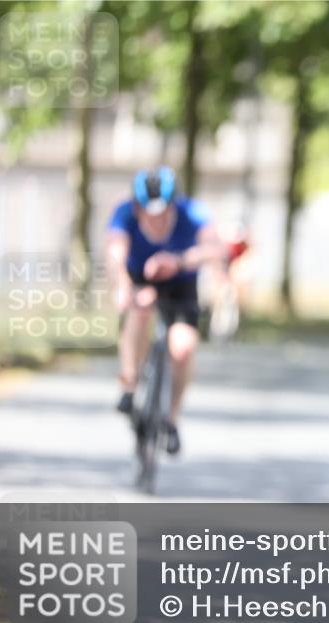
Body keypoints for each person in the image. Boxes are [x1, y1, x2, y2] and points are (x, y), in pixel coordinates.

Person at [105, 167, 225, 454]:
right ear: (136, 207)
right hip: (140, 279)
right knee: (140, 311)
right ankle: (130, 383)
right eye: (149, 212)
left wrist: (179, 260)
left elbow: (214, 249)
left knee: (182, 348)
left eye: (163, 212)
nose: (156, 219)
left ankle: (171, 419)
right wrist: (122, 286)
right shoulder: (123, 214)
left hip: (180, 282)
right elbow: (115, 254)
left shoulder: (192, 212)